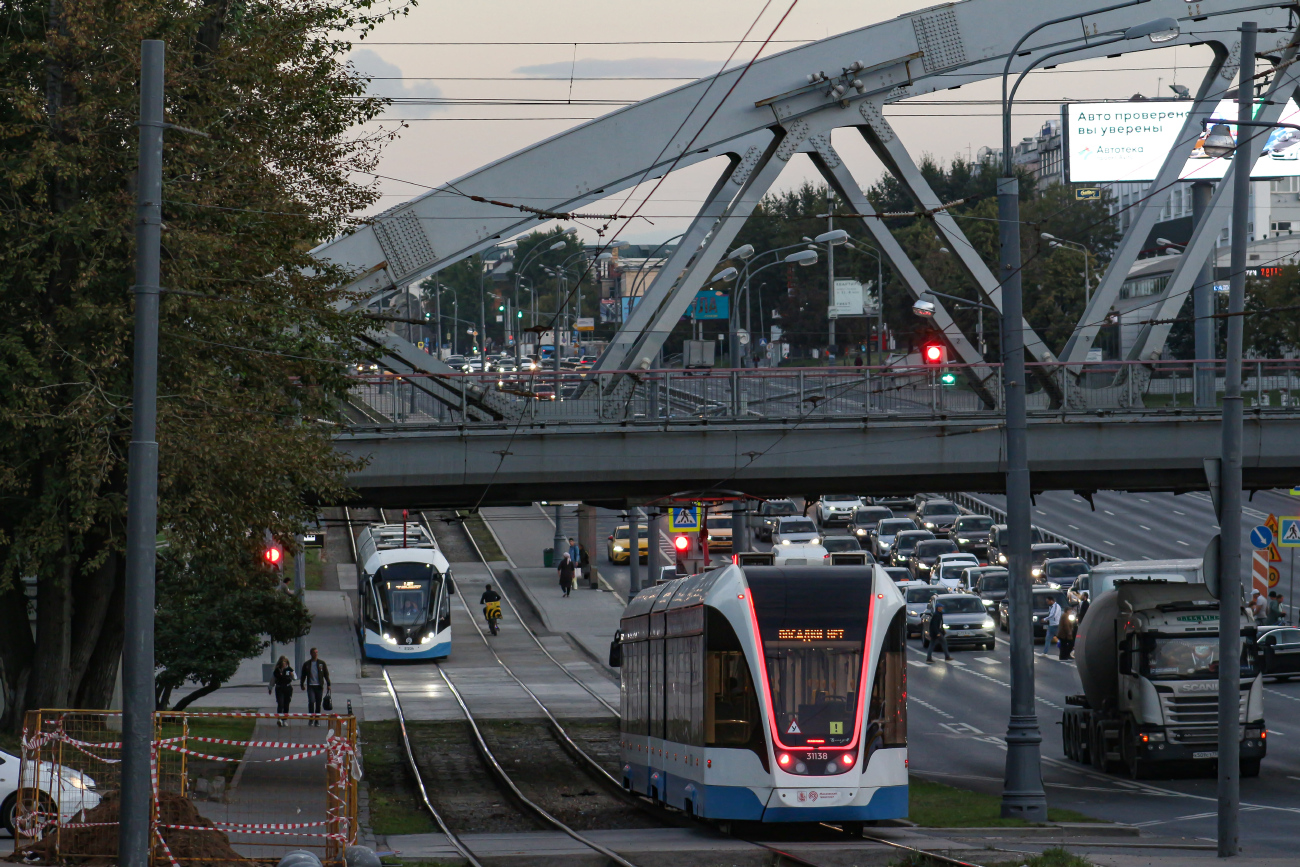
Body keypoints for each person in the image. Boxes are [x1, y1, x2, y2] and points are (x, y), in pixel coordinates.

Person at [300, 647, 331, 725]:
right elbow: (303, 675)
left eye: (317, 652)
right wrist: (302, 684)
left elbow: (326, 674)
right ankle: (311, 718)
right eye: (314, 652)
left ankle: (317, 720)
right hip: (311, 686)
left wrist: (328, 684)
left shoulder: (321, 663)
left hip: (319, 686)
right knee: (311, 701)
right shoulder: (307, 664)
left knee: (318, 703)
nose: (316, 654)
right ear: (311, 654)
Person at [269, 656, 295, 726]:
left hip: (288, 688)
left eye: (285, 662)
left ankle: (284, 719)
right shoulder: (277, 671)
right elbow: (273, 680)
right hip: (279, 688)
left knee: (286, 704)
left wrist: (292, 675)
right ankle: (279, 719)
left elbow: (295, 678)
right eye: (283, 662)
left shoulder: (289, 669)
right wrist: (270, 688)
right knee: (280, 703)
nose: (284, 664)